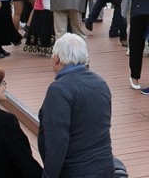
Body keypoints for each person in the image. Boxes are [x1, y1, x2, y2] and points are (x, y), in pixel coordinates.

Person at [38, 34, 113, 177]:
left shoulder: (59, 90)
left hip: (76, 170)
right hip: (105, 167)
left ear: (57, 59)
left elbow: (58, 141)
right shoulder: (100, 83)